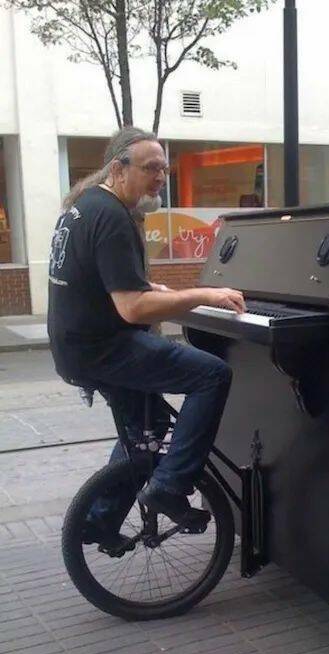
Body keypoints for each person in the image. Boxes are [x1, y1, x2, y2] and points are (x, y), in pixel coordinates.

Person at [47, 126, 245, 548]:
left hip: (74, 347)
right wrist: (205, 295)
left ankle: (101, 520)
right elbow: (132, 308)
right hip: (104, 348)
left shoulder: (85, 205)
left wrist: (153, 289)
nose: (160, 177)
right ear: (118, 169)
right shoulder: (113, 216)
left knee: (148, 425)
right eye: (150, 168)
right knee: (212, 375)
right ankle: (171, 485)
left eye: (163, 168)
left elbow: (100, 280)